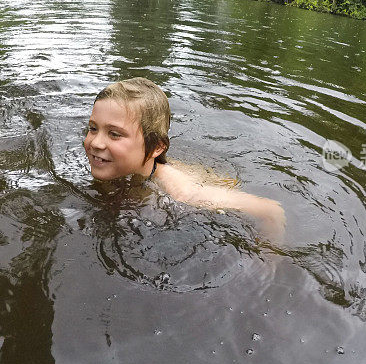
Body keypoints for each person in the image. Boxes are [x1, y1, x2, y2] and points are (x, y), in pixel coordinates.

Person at [84, 77, 286, 241]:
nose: (95, 143)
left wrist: (268, 263)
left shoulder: (184, 194)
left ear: (156, 147)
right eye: (93, 128)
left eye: (114, 134)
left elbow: (271, 210)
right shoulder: (114, 164)